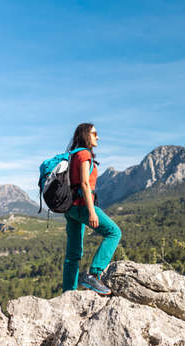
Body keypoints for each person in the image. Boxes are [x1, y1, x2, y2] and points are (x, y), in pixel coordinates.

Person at [63, 123, 121, 295]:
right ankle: (94, 274)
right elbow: (84, 183)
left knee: (73, 254)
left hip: (70, 207)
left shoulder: (72, 155)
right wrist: (92, 211)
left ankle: (69, 292)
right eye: (95, 133)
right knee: (114, 232)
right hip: (82, 206)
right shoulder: (85, 154)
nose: (98, 137)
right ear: (86, 135)